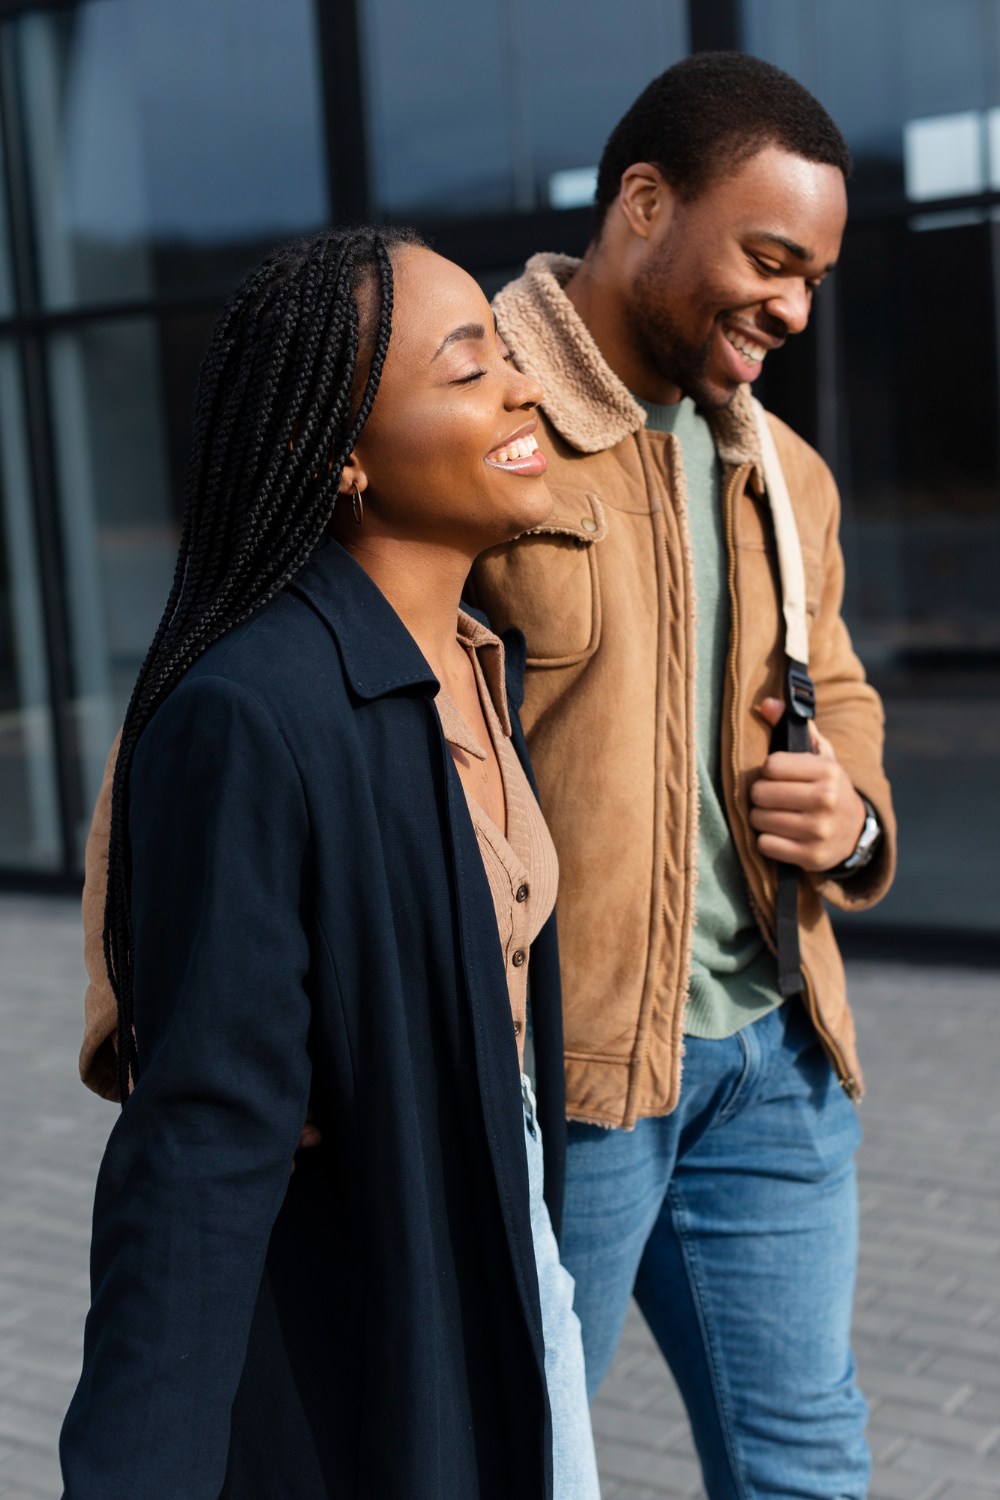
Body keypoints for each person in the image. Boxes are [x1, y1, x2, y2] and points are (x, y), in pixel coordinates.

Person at [61, 226, 600, 1499]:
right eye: (469, 369)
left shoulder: (473, 656)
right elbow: (201, 1139)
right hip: (386, 1241)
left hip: (505, 1190)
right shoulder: (255, 709)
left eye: (508, 355)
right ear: (340, 456)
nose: (522, 386)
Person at [468, 52, 897, 1500]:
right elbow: (231, 709)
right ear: (645, 203)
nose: (792, 305)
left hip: (775, 1061)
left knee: (808, 1466)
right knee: (512, 1463)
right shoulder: (461, 419)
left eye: (815, 279)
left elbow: (835, 686)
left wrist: (854, 820)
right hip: (553, 1087)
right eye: (772, 258)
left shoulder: (786, 468)